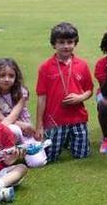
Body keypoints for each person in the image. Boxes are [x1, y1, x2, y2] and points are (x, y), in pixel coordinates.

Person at [35, 22, 93, 163]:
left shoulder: (82, 65)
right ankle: (64, 139)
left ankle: (69, 140)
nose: (66, 46)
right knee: (49, 157)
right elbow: (41, 98)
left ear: (75, 43)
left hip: (78, 118)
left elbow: (89, 90)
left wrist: (80, 98)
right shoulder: (45, 67)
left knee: (82, 154)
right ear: (54, 44)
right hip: (55, 120)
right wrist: (39, 126)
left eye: (70, 42)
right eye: (61, 42)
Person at [0, 58, 46, 167]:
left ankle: (21, 149)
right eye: (2, 75)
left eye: (11, 76)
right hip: (3, 131)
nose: (7, 79)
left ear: (16, 77)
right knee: (14, 130)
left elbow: (15, 114)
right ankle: (4, 152)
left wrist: (29, 128)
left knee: (38, 162)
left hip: (25, 133)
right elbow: (3, 120)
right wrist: (23, 125)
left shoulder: (21, 92)